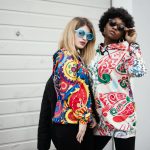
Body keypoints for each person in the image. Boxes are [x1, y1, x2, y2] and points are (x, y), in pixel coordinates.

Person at [88, 7, 146, 150]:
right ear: (104, 25)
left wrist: (132, 44)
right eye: (112, 23)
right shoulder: (93, 54)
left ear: (123, 32)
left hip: (123, 118)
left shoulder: (126, 51)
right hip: (99, 119)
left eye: (120, 27)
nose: (115, 28)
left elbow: (139, 71)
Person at [38, 17, 98, 150]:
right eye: (81, 33)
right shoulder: (66, 56)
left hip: (76, 122)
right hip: (69, 125)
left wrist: (89, 116)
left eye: (88, 36)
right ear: (71, 32)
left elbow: (84, 91)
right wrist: (84, 118)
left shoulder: (76, 58)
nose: (85, 38)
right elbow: (70, 91)